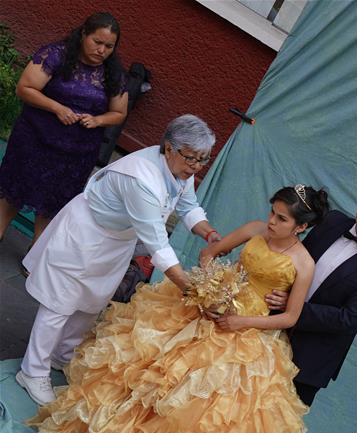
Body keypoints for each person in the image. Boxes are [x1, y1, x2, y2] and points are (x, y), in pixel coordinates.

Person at [28, 185, 328, 433]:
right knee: (149, 374)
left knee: (205, 415)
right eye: (272, 212)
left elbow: (290, 317)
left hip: (247, 331)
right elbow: (211, 253)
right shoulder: (253, 230)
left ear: (300, 227)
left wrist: (241, 321)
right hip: (209, 309)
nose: (271, 222)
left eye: (281, 219)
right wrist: (213, 284)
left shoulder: (304, 264)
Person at [16, 114, 220, 406]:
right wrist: (186, 284)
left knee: (90, 305)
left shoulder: (180, 170)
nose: (196, 167)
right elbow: (156, 240)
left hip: (115, 242)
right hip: (86, 234)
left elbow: (189, 207)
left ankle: (63, 356)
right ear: (169, 148)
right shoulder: (141, 179)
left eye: (203, 160)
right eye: (192, 159)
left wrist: (210, 234)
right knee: (58, 305)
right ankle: (32, 372)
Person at [266, 183, 357, 406]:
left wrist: (291, 307)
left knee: (270, 429)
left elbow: (347, 318)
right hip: (266, 329)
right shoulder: (332, 220)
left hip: (308, 360)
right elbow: (292, 259)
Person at [0, 12, 128, 243]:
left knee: (54, 202)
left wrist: (99, 120)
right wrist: (57, 108)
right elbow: (25, 88)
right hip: (35, 138)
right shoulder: (55, 55)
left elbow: (119, 113)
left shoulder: (114, 74)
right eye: (97, 42)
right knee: (15, 189)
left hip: (77, 152)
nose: (102, 50)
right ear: (83, 35)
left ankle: (36, 253)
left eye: (109, 46)